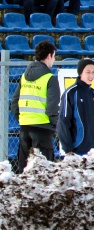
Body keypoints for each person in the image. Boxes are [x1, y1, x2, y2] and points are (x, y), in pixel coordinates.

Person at [10, 40, 58, 173]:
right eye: (54, 56)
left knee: (24, 171)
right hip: (43, 129)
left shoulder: (24, 77)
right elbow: (53, 107)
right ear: (49, 56)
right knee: (44, 172)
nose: (53, 60)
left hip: (25, 129)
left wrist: (23, 119)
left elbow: (14, 103)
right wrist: (54, 127)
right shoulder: (50, 78)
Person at [57, 58, 94, 156]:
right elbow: (63, 123)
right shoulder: (71, 93)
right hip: (78, 151)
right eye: (88, 72)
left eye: (93, 72)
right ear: (80, 73)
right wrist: (68, 150)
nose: (91, 75)